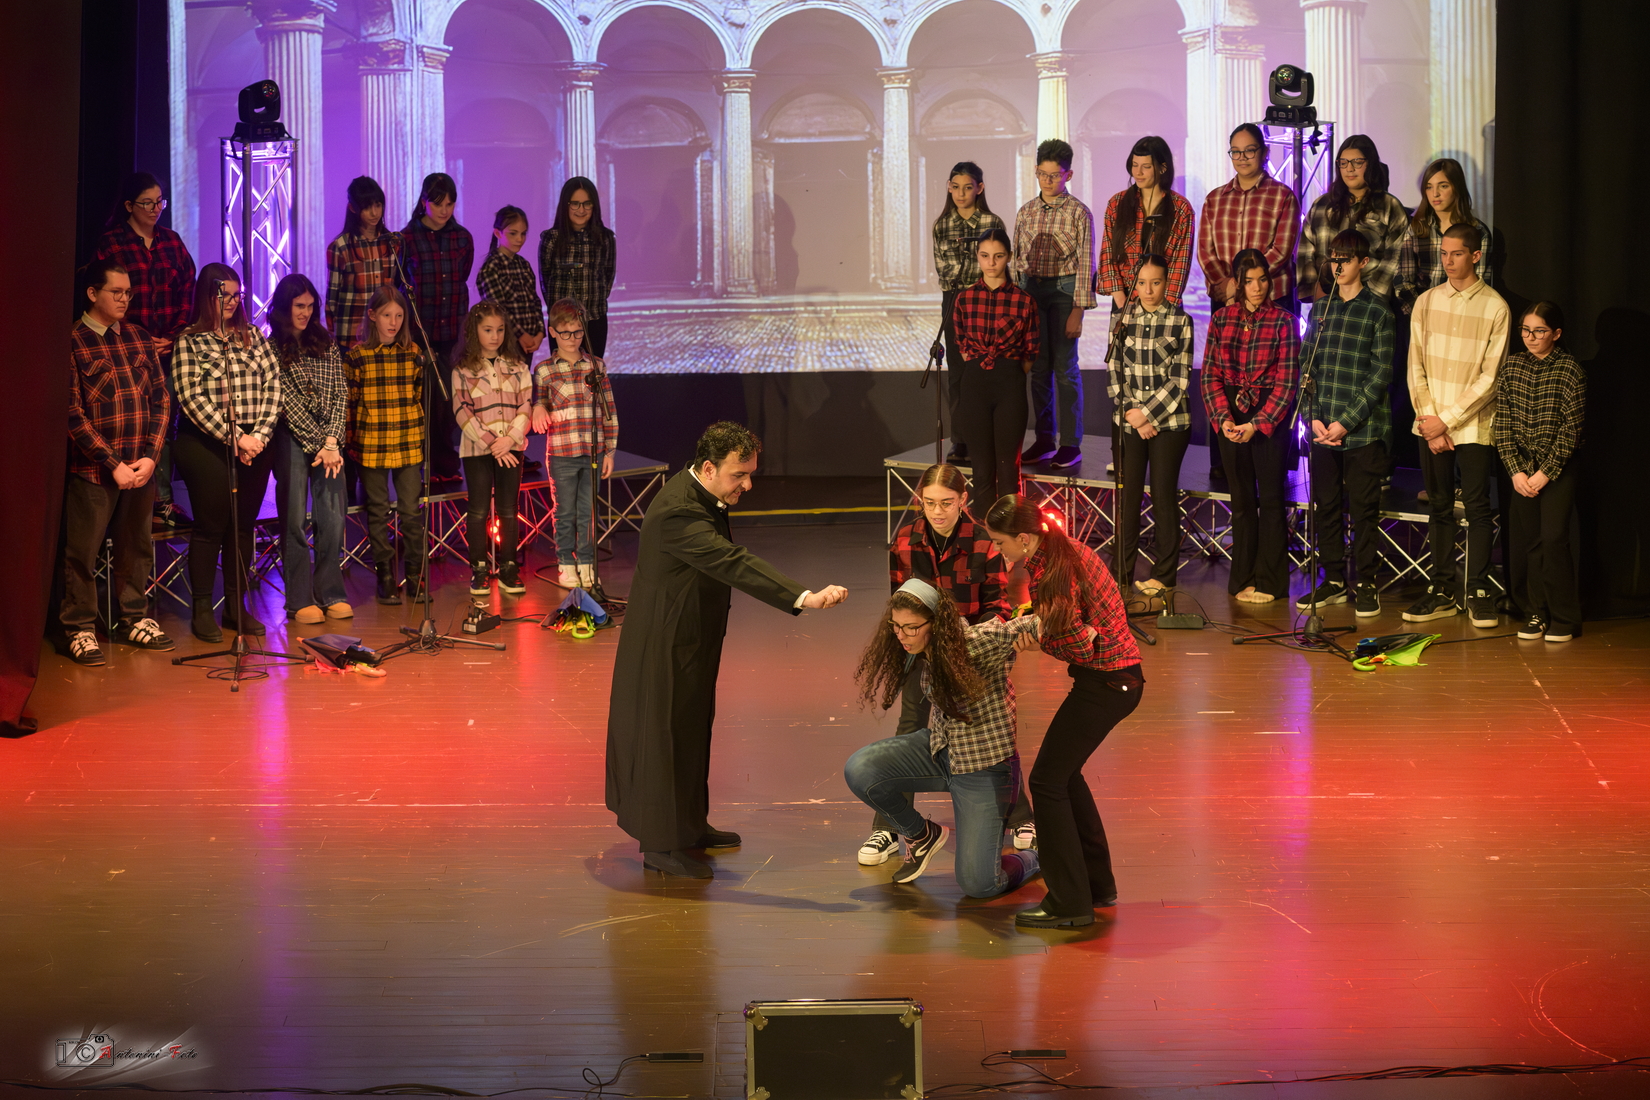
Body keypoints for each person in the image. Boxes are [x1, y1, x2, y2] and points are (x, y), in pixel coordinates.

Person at [605, 421, 848, 879]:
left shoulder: (701, 493)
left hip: (690, 637)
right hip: (664, 643)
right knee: (664, 736)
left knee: (692, 730)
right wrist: (803, 597)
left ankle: (688, 826)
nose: (747, 485)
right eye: (740, 475)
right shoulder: (679, 511)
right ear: (708, 468)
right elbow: (731, 561)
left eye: (750, 473)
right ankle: (660, 844)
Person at [984, 495, 1143, 928]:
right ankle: (1095, 886)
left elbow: (1078, 646)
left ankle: (1070, 904)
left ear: (1023, 537)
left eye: (1000, 542)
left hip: (1108, 682)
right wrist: (1048, 627)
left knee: (1047, 781)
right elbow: (1076, 632)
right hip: (1112, 679)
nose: (998, 550)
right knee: (1064, 777)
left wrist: (1039, 639)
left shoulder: (1054, 570)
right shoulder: (1058, 550)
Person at [861, 463, 1027, 866]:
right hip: (922, 650)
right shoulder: (905, 541)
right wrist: (911, 642)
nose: (937, 511)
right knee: (911, 724)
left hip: (973, 650)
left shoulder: (984, 543)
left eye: (947, 503)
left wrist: (975, 645)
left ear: (963, 500)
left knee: (991, 732)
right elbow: (900, 603)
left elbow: (998, 605)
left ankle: (1022, 818)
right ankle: (889, 827)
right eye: (930, 503)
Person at [843, 580, 1042, 897]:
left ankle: (1036, 857)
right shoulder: (922, 648)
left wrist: (1061, 633)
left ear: (935, 623)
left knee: (979, 884)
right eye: (896, 626)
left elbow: (1032, 624)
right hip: (941, 751)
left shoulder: (974, 642)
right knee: (861, 768)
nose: (901, 635)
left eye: (911, 628)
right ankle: (920, 835)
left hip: (984, 768)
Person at [60, 260, 174, 665]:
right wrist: (112, 463)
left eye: (128, 293)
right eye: (116, 292)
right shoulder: (73, 340)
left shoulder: (139, 337)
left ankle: (133, 618)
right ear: (93, 293)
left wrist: (151, 456)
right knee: (83, 551)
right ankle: (80, 627)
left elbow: (161, 399)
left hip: (140, 465)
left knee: (136, 546)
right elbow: (72, 413)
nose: (125, 299)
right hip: (94, 469)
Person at [1401, 222, 1509, 628]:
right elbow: (1415, 365)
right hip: (1430, 423)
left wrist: (1445, 421)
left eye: (1457, 254)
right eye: (1444, 253)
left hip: (1472, 425)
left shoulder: (1495, 307)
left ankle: (1478, 590)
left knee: (1478, 509)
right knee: (1440, 507)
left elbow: (1490, 378)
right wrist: (1431, 420)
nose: (1448, 261)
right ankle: (1443, 589)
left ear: (1476, 256)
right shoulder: (1426, 301)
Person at [169, 264, 281, 642]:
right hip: (205, 442)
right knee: (211, 524)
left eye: (237, 295)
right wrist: (235, 437)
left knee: (243, 525)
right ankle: (202, 609)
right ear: (207, 296)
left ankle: (236, 607)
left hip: (255, 442)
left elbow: (273, 388)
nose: (233, 302)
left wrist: (257, 436)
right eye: (225, 295)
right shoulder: (189, 341)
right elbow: (191, 397)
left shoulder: (254, 337)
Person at [1294, 229, 1395, 619]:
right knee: (1327, 505)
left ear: (1363, 263)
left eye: (1345, 259)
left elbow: (1380, 375)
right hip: (1323, 428)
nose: (1337, 264)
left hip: (1363, 432)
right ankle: (1334, 579)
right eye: (1333, 257)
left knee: (1364, 510)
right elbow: (1307, 366)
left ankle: (1366, 582)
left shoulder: (1378, 311)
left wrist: (1345, 423)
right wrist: (1313, 419)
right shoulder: (1320, 309)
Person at [95, 171, 197, 528]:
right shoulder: (113, 243)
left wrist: (175, 334)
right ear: (129, 205)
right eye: (147, 203)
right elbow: (106, 297)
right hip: (125, 351)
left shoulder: (172, 241)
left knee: (162, 425)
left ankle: (162, 502)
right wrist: (137, 337)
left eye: (160, 202)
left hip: (167, 349)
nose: (155, 209)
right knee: (129, 425)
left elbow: (188, 289)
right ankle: (129, 503)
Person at [1200, 248, 1300, 604]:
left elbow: (1287, 382)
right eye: (1249, 281)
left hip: (1269, 413)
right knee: (1241, 500)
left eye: (1262, 280)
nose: (1257, 288)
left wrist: (1257, 424)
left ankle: (1270, 582)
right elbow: (1209, 374)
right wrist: (1223, 418)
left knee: (1271, 500)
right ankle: (1242, 577)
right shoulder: (1221, 318)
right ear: (1237, 284)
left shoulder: (1284, 321)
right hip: (1230, 410)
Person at [1106, 255, 1195, 596]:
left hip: (1170, 422)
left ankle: (1164, 576)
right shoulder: (1122, 318)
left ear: (1166, 282)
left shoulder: (1180, 320)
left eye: (1155, 282)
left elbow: (1179, 378)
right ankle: (1120, 575)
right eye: (1142, 283)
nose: (1148, 290)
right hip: (1128, 421)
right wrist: (1133, 413)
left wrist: (1148, 415)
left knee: (1162, 495)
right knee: (1128, 499)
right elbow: (1115, 371)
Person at [1497, 303, 1585, 643]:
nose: (1530, 337)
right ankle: (1536, 613)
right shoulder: (1512, 366)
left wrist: (1545, 472)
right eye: (1525, 330)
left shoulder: (1570, 370)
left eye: (1539, 331)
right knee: (1530, 542)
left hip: (1557, 469)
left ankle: (1564, 618)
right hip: (1521, 469)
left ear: (1556, 334)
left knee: (1553, 539)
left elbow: (1571, 429)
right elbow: (1503, 423)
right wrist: (1516, 471)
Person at [268, 273, 350, 626]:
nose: (305, 312)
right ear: (284, 307)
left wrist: (332, 442)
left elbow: (340, 393)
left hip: (329, 442)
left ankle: (331, 592)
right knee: (294, 519)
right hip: (291, 437)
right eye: (298, 306)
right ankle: (299, 598)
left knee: (332, 517)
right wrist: (322, 444)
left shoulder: (325, 342)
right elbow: (286, 402)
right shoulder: (272, 347)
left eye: (310, 305)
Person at [1013, 139, 1097, 470]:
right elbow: (1018, 259)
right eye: (1042, 174)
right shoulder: (1026, 212)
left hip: (1064, 292)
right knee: (1039, 369)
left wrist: (1079, 309)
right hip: (1032, 292)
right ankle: (1044, 439)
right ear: (1035, 171)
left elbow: (1086, 262)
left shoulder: (1079, 212)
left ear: (1068, 175)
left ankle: (1071, 444)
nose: (1048, 181)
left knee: (1065, 368)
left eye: (1055, 175)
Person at [345, 285, 427, 607]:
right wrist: (351, 444)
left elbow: (418, 394)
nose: (393, 322)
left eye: (399, 315)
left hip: (407, 442)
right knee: (378, 510)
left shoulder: (413, 353)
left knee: (411, 510)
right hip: (372, 443)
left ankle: (416, 574)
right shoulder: (357, 356)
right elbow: (351, 403)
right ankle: (386, 576)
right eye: (386, 315)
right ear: (372, 316)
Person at [530, 299, 618, 589]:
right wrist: (538, 408)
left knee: (587, 512)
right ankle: (566, 563)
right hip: (562, 453)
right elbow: (539, 402)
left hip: (593, 451)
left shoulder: (596, 366)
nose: (572, 338)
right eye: (565, 332)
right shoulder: (545, 370)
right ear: (553, 332)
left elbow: (609, 410)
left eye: (578, 332)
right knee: (565, 511)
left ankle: (587, 562)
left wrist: (609, 450)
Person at [951, 227, 1038, 516]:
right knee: (981, 468)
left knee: (1008, 466)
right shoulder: (964, 299)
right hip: (975, 384)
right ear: (977, 257)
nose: (991, 262)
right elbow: (962, 346)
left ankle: (1011, 531)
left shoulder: (1024, 300)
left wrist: (1007, 368)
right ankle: (984, 534)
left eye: (998, 256)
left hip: (1009, 383)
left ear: (1009, 257)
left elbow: (1031, 351)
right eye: (985, 256)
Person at [398, 172, 473, 485]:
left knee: (449, 402)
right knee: (423, 401)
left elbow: (462, 277)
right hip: (420, 334)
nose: (445, 210)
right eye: (438, 203)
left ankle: (444, 462)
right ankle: (422, 463)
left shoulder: (462, 238)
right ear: (424, 201)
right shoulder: (406, 238)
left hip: (452, 333)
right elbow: (400, 283)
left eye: (450, 204)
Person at [453, 302, 532, 597]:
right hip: (477, 450)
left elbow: (525, 406)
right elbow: (463, 412)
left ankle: (509, 568)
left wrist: (508, 440)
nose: (494, 336)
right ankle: (479, 569)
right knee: (478, 509)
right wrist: (493, 444)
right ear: (474, 331)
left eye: (499, 330)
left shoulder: (518, 366)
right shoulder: (463, 369)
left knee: (509, 509)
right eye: (488, 330)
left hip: (511, 447)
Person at [931, 162, 1006, 463]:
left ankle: (988, 434)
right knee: (958, 373)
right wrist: (973, 270)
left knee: (987, 368)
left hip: (987, 301)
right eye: (955, 187)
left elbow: (996, 266)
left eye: (967, 187)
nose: (961, 193)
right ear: (949, 188)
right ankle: (960, 438)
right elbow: (944, 269)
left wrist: (980, 273)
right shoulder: (942, 224)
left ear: (979, 188)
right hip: (954, 300)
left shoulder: (991, 221)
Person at [1198, 124, 1301, 312]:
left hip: (1272, 298)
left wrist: (1242, 284)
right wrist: (1226, 285)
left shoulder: (1283, 196)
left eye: (1249, 151)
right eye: (1236, 152)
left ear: (1265, 152)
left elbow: (1281, 251)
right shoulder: (1214, 199)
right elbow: (1205, 251)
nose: (1242, 157)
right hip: (1225, 298)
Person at [1297, 136, 1408, 304]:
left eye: (1357, 162)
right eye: (1343, 163)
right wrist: (1317, 294)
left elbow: (1395, 258)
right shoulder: (1322, 205)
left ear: (1370, 164)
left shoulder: (1389, 206)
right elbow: (1305, 252)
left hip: (1371, 301)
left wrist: (1367, 300)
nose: (1349, 168)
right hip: (1326, 298)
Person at [1097, 136, 1195, 311]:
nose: (1138, 172)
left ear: (1163, 168)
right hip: (1125, 301)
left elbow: (1181, 262)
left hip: (1165, 303)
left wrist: (1164, 307)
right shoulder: (1117, 203)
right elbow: (1108, 253)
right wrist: (1121, 300)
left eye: (1146, 167)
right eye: (1135, 165)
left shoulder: (1181, 208)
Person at [1395, 158, 1494, 316]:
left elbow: (1480, 283)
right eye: (1429, 187)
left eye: (1443, 186)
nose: (1435, 194)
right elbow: (1403, 281)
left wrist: (1456, 315)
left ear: (1457, 187)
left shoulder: (1478, 232)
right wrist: (1421, 312)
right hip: (1422, 314)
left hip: (1462, 315)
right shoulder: (1416, 229)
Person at [538, 177, 616, 357]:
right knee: (563, 372)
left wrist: (592, 302)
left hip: (595, 319)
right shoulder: (551, 239)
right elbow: (545, 280)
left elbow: (608, 275)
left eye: (587, 204)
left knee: (592, 372)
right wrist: (560, 312)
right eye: (575, 204)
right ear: (565, 205)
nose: (581, 210)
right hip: (562, 323)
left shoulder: (605, 238)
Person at [325, 175, 399, 353]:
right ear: (353, 208)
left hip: (384, 335)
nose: (374, 213)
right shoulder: (340, 247)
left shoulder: (392, 243)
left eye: (378, 205)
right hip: (351, 337)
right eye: (367, 207)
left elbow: (396, 291)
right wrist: (330, 335)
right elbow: (332, 299)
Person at [477, 204, 547, 360]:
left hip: (529, 342)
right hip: (505, 343)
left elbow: (535, 301)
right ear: (498, 233)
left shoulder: (524, 264)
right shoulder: (492, 268)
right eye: (513, 233)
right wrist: (521, 334)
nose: (519, 239)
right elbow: (498, 309)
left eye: (523, 234)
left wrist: (540, 332)